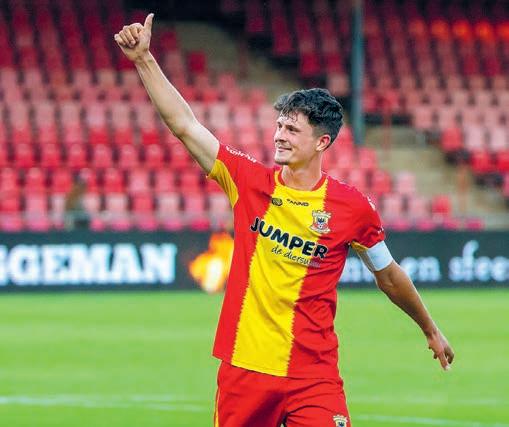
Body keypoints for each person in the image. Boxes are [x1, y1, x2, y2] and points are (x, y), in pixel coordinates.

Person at [115, 14, 454, 427]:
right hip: (245, 368)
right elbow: (185, 126)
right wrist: (144, 60)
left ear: (322, 142)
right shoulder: (248, 181)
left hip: (315, 376)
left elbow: (389, 275)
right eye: (279, 125)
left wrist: (429, 328)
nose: (279, 135)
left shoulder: (353, 208)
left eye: (292, 129)